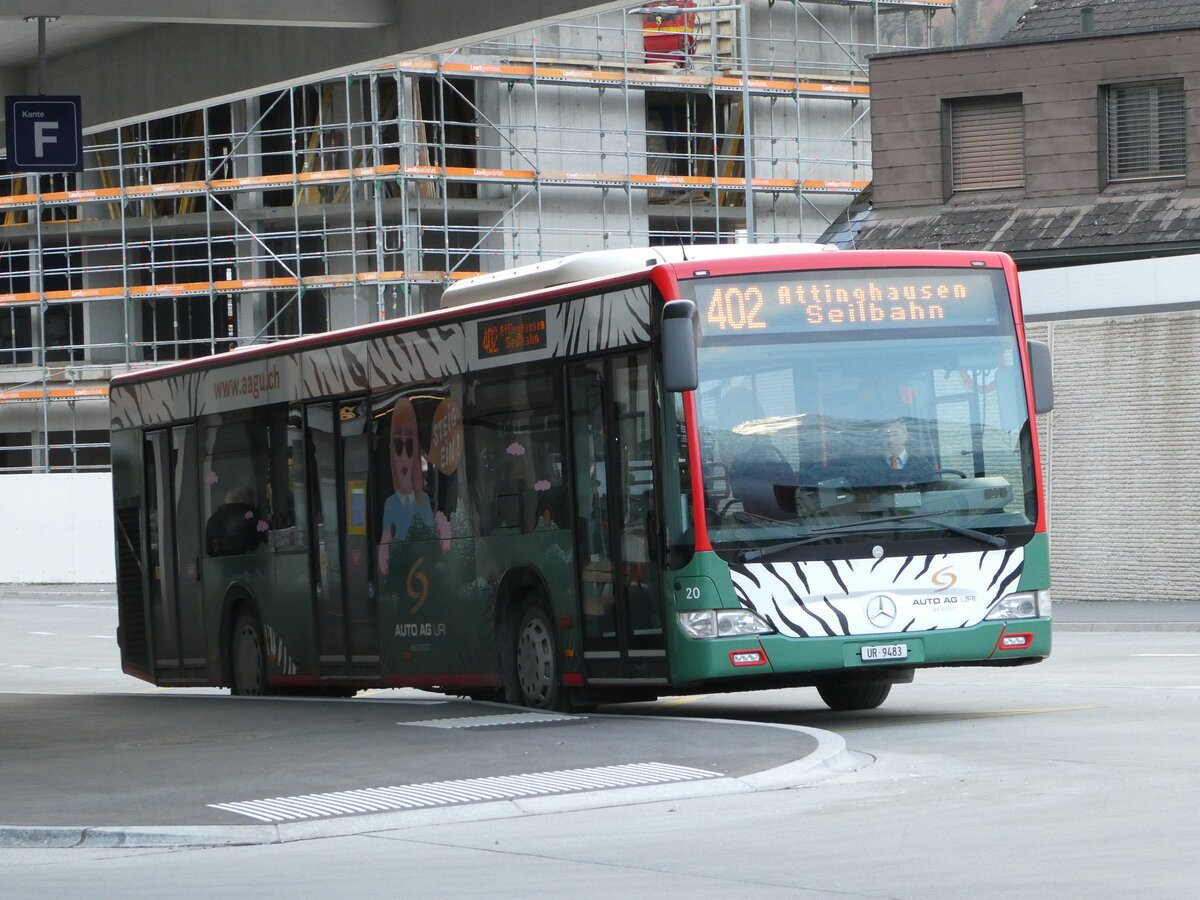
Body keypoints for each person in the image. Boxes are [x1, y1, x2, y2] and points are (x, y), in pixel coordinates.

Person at [378, 396, 434, 575]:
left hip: (423, 570)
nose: (403, 456)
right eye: (398, 445)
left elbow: (431, 541)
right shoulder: (390, 504)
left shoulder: (423, 500)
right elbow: (385, 544)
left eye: (409, 446)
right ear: (391, 453)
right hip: (402, 571)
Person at [857, 418, 936, 486]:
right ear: (881, 438)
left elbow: (934, 490)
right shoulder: (869, 466)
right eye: (886, 435)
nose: (891, 440)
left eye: (895, 434)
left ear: (906, 436)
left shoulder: (922, 465)